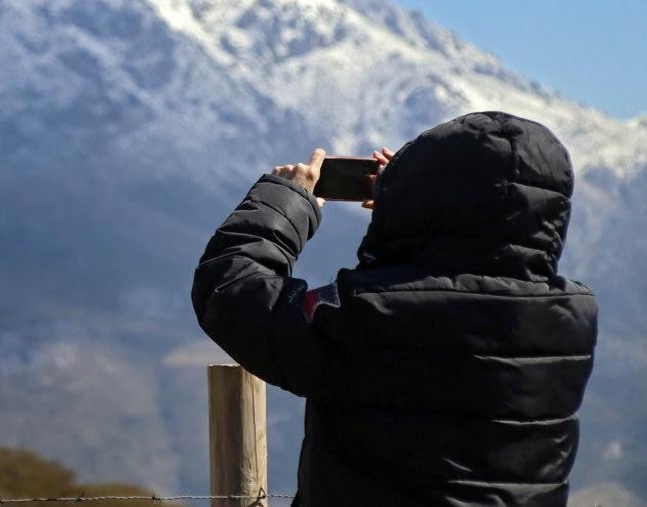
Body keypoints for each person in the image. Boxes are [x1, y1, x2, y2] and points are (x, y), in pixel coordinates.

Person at [192, 111, 598, 506]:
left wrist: (285, 200)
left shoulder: (371, 316)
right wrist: (408, 203)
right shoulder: (572, 317)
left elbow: (231, 292)